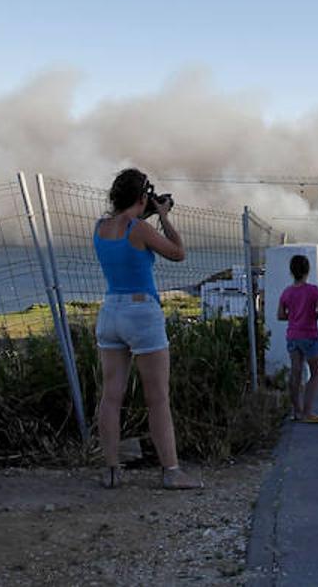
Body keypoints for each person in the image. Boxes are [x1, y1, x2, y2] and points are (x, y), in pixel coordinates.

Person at [93, 168, 201, 489]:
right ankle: (171, 471)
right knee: (157, 398)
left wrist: (146, 212)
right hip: (141, 312)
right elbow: (178, 253)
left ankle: (111, 470)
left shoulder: (100, 228)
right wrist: (164, 217)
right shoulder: (138, 229)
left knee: (111, 396)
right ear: (143, 197)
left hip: (110, 310)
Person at [278, 254, 318, 424]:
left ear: (292, 272)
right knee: (316, 372)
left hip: (292, 336)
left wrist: (294, 317)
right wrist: (309, 315)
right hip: (309, 336)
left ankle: (296, 412)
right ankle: (307, 412)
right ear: (307, 271)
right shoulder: (313, 291)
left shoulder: (287, 292)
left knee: (295, 372)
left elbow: (280, 315)